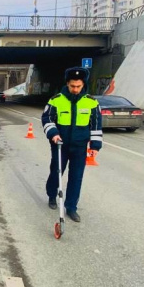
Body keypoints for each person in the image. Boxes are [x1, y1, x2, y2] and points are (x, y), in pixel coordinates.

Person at [41, 67, 103, 222]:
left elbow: (96, 125)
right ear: (67, 84)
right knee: (56, 172)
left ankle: (71, 207)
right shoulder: (56, 100)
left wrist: (95, 147)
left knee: (76, 177)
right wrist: (53, 133)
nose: (75, 89)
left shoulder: (92, 102)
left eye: (78, 86)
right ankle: (51, 196)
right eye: (72, 86)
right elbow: (47, 118)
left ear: (83, 85)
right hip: (60, 144)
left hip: (79, 146)